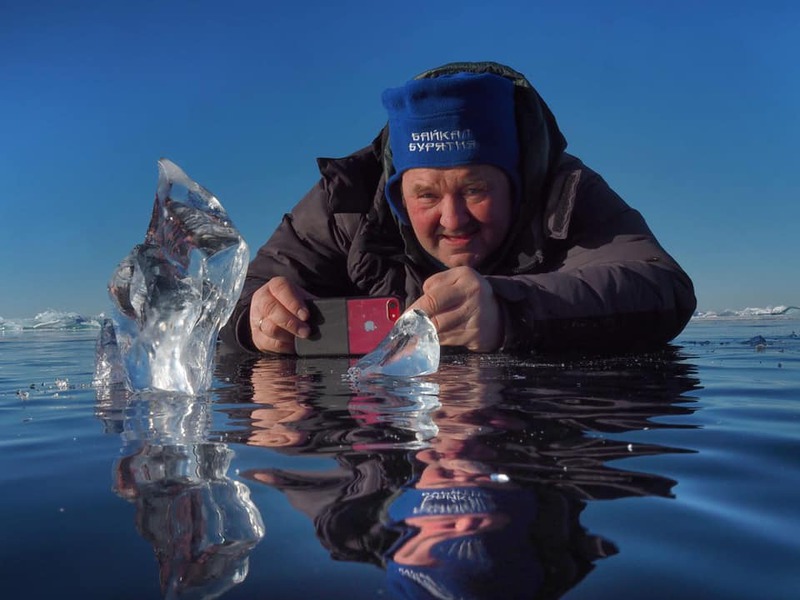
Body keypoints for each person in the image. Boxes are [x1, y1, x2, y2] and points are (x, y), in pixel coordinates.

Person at [219, 61, 696, 355]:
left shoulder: (562, 191)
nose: (453, 220)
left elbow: (659, 284)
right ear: (398, 192)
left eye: (474, 190)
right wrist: (252, 322)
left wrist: (509, 311)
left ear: (515, 183)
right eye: (426, 195)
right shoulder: (345, 203)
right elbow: (230, 303)